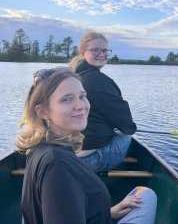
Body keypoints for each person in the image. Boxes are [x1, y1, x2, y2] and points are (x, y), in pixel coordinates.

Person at [16, 67, 157, 224]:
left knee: (144, 195)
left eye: (82, 96)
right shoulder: (57, 163)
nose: (81, 105)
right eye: (66, 99)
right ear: (43, 112)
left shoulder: (40, 147)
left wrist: (107, 213)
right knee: (147, 195)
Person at [69, 31, 137, 172]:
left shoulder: (72, 77)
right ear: (82, 53)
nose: (101, 54)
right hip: (90, 159)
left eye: (105, 50)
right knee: (126, 135)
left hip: (70, 155)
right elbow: (126, 123)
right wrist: (128, 128)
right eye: (95, 50)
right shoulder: (99, 81)